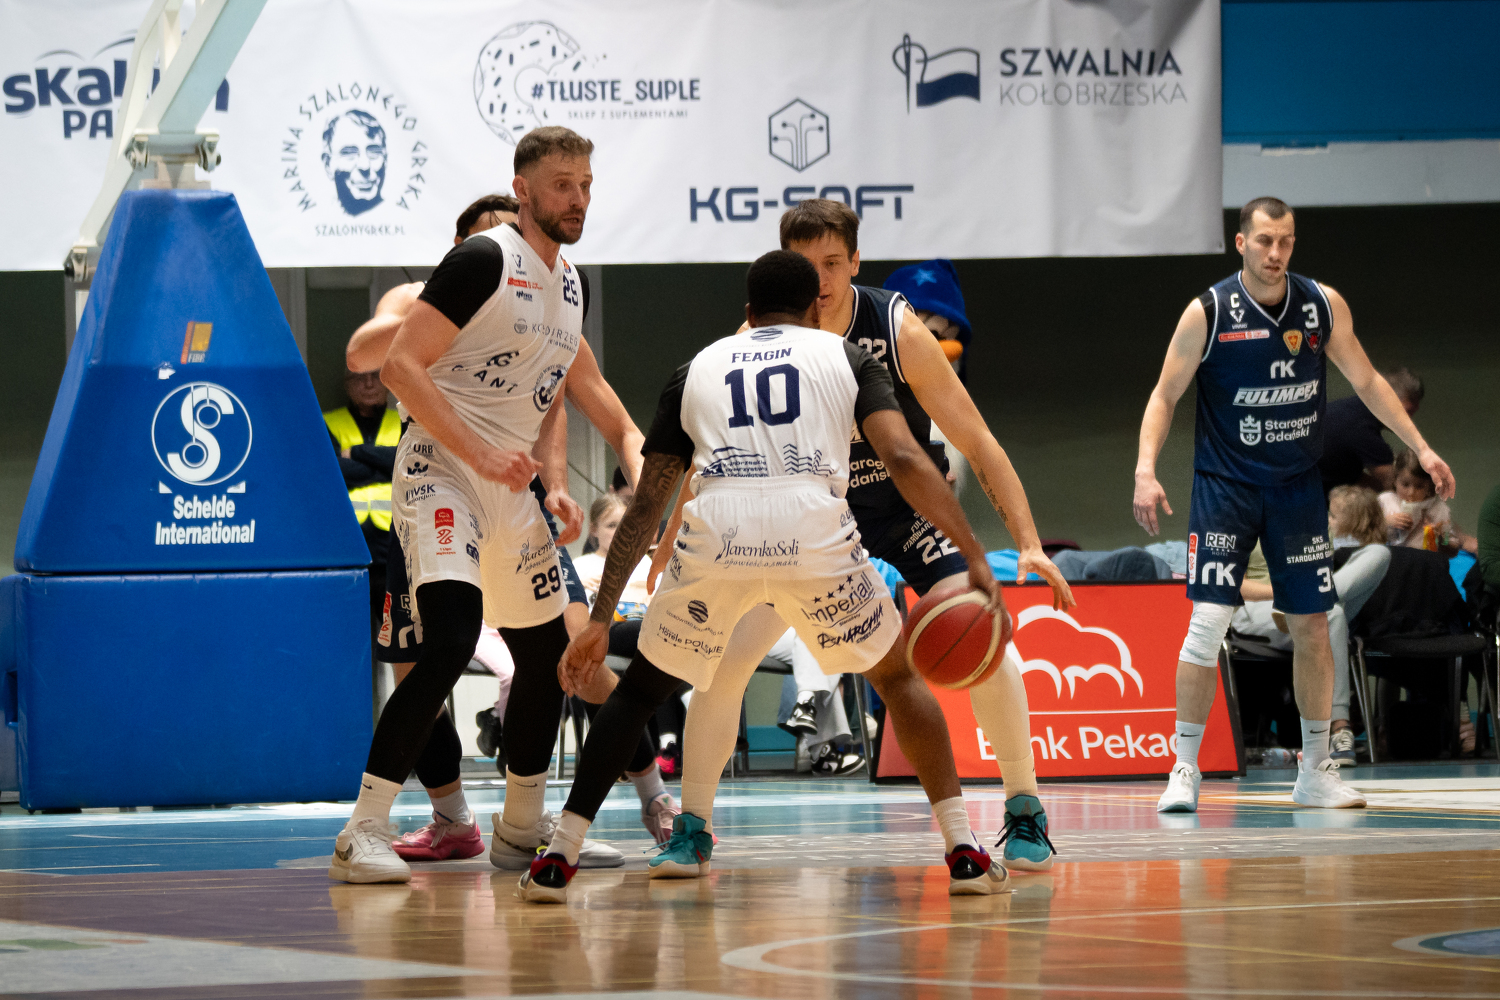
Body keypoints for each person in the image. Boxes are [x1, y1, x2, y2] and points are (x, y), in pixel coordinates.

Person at [518, 250, 1008, 904]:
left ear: (748, 312)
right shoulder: (847, 356)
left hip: (719, 533)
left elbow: (649, 502)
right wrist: (972, 551)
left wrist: (601, 620)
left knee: (637, 694)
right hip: (815, 534)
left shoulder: (697, 367)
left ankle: (559, 857)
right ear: (814, 309)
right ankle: (963, 849)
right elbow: (902, 456)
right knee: (896, 679)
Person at [650, 200, 1074, 872]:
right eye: (805, 265)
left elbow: (976, 440)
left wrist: (1024, 539)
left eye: (832, 263)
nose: (819, 279)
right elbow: (708, 455)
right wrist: (671, 538)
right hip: (810, 521)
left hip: (903, 512)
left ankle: (1025, 808)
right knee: (727, 661)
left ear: (855, 262)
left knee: (988, 640)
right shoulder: (754, 337)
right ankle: (693, 826)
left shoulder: (897, 329)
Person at [328, 125, 617, 884]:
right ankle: (363, 828)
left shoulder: (570, 285)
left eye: (586, 185)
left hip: (509, 488)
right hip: (441, 471)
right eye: (562, 185)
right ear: (523, 190)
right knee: (450, 640)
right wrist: (483, 452)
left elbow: (562, 396)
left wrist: (574, 472)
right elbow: (395, 365)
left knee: (548, 656)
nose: (578, 199)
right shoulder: (482, 259)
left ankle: (520, 828)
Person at [1134, 196, 1457, 813]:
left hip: (1296, 489)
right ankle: (1184, 768)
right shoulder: (1208, 312)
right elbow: (1164, 395)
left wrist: (1421, 447)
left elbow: (1368, 381)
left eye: (1285, 241)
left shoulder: (1321, 305)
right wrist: (1145, 471)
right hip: (1225, 488)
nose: (1276, 253)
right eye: (1264, 241)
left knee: (1313, 623)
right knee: (1208, 624)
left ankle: (1315, 771)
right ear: (1241, 243)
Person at [1230, 487, 1391, 767]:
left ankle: (1313, 600)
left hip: (1309, 602)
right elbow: (1236, 587)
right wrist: (1285, 594)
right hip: (1261, 606)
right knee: (1331, 615)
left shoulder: (1312, 520)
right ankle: (1339, 729)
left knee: (1378, 553)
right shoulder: (1242, 520)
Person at [325, 367, 401, 627]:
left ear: (387, 382)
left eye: (375, 377)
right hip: (346, 543)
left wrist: (356, 452)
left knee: (397, 632)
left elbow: (405, 465)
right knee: (348, 631)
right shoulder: (327, 422)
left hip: (392, 545)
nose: (369, 384)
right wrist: (385, 467)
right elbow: (331, 471)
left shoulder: (403, 420)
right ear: (347, 384)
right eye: (359, 378)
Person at [1317, 368, 1423, 496]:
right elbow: (1395, 485)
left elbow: (1351, 477)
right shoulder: (1362, 430)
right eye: (1406, 412)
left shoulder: (1352, 409)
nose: (1408, 420)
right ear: (1385, 398)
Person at [1379, 448, 1477, 553]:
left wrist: (1441, 537)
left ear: (1430, 486)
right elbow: (1368, 537)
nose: (1411, 492)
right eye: (1405, 484)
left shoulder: (1438, 508)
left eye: (1419, 486)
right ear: (1395, 480)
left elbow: (1452, 548)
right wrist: (1385, 523)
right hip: (1391, 556)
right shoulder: (1385, 501)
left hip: (1424, 558)